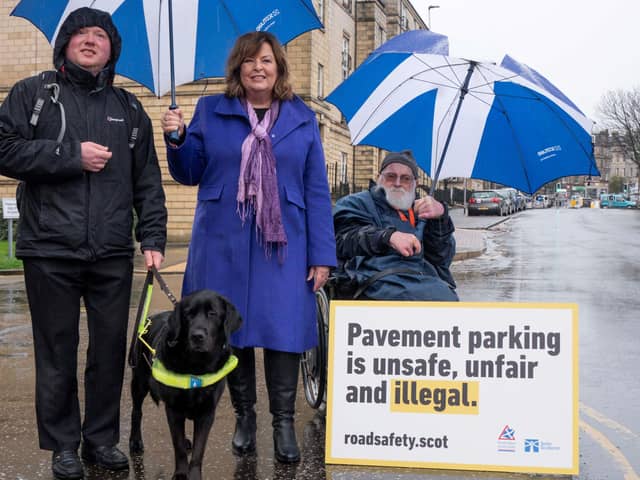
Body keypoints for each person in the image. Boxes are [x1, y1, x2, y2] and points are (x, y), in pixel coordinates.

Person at [0, 7, 167, 480]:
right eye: (81, 34)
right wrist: (69, 155)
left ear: (113, 50)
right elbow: (3, 147)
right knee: (56, 350)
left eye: (101, 35)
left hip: (112, 251)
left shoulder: (130, 108)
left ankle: (100, 440)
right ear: (65, 44)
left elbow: (148, 183)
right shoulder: (34, 94)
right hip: (49, 248)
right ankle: (62, 445)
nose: (91, 40)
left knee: (108, 351)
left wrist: (152, 235)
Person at [160, 31, 336, 463]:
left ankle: (283, 424)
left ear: (279, 69)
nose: (258, 67)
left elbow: (316, 189)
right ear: (238, 68)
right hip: (223, 237)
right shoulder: (209, 110)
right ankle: (244, 418)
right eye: (250, 61)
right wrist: (178, 138)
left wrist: (322, 256)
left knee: (284, 331)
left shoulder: (302, 117)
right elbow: (189, 171)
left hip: (285, 241)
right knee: (227, 330)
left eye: (267, 61)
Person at [333, 150, 459, 301]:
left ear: (415, 183)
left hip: (422, 284)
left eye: (405, 178)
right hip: (371, 289)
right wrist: (387, 237)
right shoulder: (356, 203)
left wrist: (440, 218)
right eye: (391, 176)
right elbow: (343, 238)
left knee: (447, 298)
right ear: (379, 177)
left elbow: (442, 259)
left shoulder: (423, 211)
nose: (398, 183)